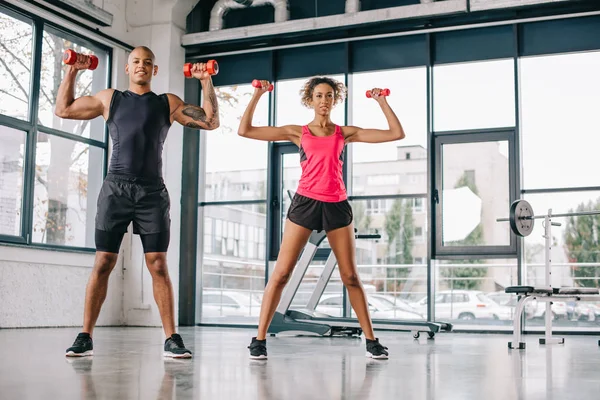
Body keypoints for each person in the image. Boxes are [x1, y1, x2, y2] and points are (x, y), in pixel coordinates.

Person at [55, 46, 220, 358]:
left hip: (152, 193)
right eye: (136, 62)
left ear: (154, 71)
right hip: (115, 188)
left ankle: (172, 338)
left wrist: (205, 81)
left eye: (148, 62)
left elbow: (210, 122)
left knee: (157, 264)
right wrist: (73, 70)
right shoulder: (110, 99)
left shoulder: (167, 103)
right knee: (104, 261)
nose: (142, 66)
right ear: (127, 69)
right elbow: (63, 110)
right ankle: (85, 335)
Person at [238, 76, 405, 360]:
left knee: (350, 276)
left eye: (329, 96)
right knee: (281, 274)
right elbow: (246, 130)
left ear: (334, 100)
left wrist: (381, 101)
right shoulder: (298, 132)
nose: (324, 101)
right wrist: (258, 95)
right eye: (318, 96)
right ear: (310, 100)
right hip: (305, 204)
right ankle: (259, 339)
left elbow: (395, 134)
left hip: (337, 205)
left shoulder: (344, 133)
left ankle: (371, 340)